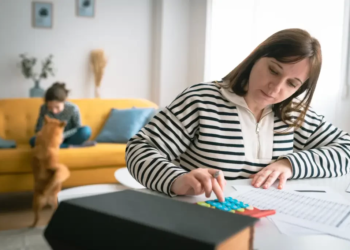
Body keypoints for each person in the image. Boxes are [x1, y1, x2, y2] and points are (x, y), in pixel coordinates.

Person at [125, 28, 350, 202]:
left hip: (268, 223)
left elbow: (346, 150)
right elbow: (140, 149)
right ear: (256, 58)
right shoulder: (202, 100)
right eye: (273, 70)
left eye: (292, 83)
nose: (275, 88)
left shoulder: (293, 114)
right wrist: (176, 179)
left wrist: (289, 164)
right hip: (200, 219)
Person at [30, 82, 95, 148]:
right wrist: (50, 136)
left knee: (86, 130)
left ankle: (62, 146)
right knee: (33, 140)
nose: (54, 111)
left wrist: (62, 135)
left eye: (57, 107)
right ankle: (70, 146)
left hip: (69, 138)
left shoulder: (73, 108)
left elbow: (78, 128)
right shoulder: (43, 108)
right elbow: (38, 129)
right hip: (51, 139)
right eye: (50, 107)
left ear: (64, 101)